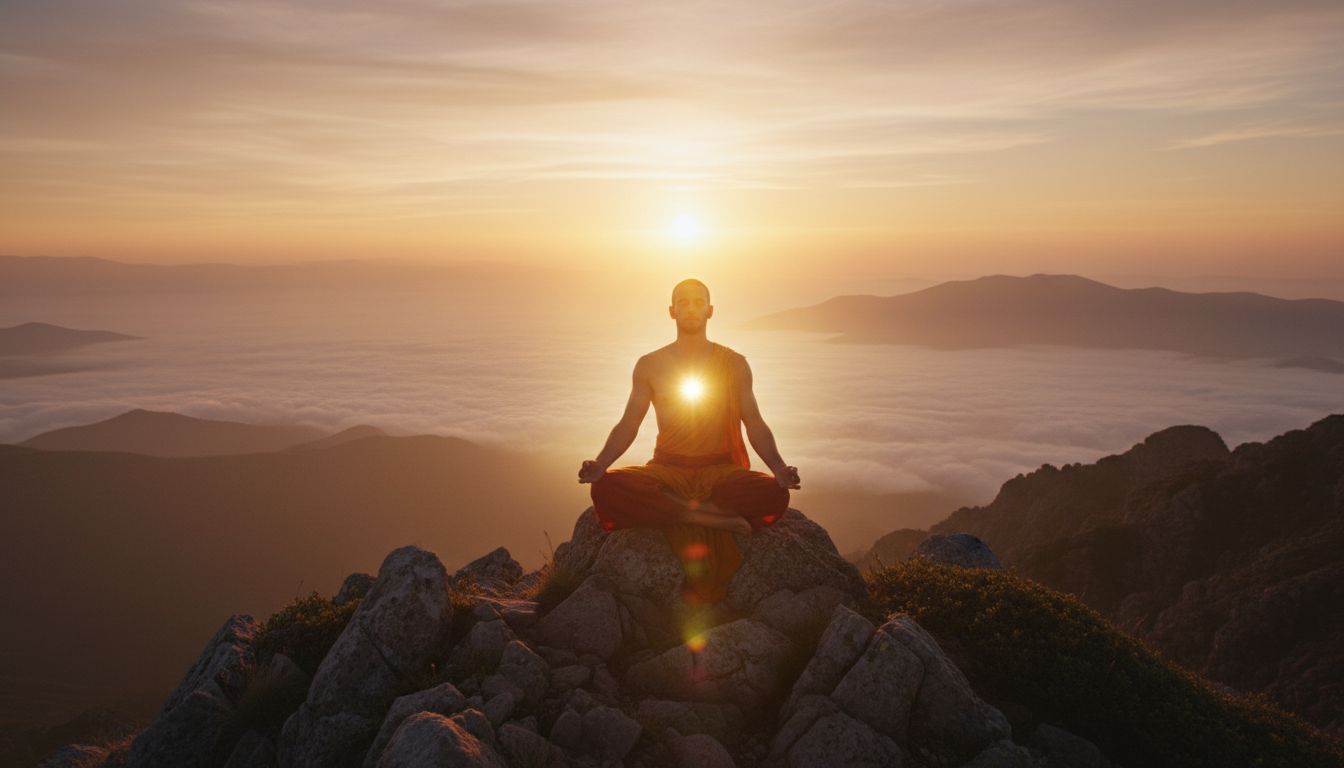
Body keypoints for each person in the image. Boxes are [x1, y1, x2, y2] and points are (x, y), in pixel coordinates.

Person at [577, 278, 801, 604]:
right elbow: (628, 424)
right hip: (667, 469)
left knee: (774, 496)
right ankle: (700, 515)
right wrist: (600, 464)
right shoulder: (650, 365)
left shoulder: (734, 364)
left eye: (699, 302)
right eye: (684, 302)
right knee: (606, 489)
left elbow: (754, 423)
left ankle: (679, 510)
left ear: (710, 311)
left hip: (719, 470)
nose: (691, 308)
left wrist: (779, 469)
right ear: (672, 311)